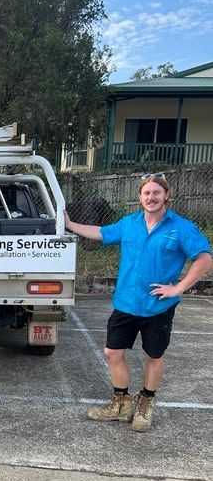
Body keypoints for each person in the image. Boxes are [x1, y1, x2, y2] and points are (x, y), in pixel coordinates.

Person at [65, 172, 212, 432]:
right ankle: (121, 404)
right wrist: (71, 225)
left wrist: (178, 288)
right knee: (112, 352)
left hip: (158, 306)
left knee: (154, 355)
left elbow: (204, 259)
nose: (151, 197)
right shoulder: (130, 223)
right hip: (126, 303)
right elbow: (100, 232)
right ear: (140, 197)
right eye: (146, 193)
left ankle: (145, 403)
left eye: (156, 192)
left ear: (166, 195)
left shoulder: (181, 227)